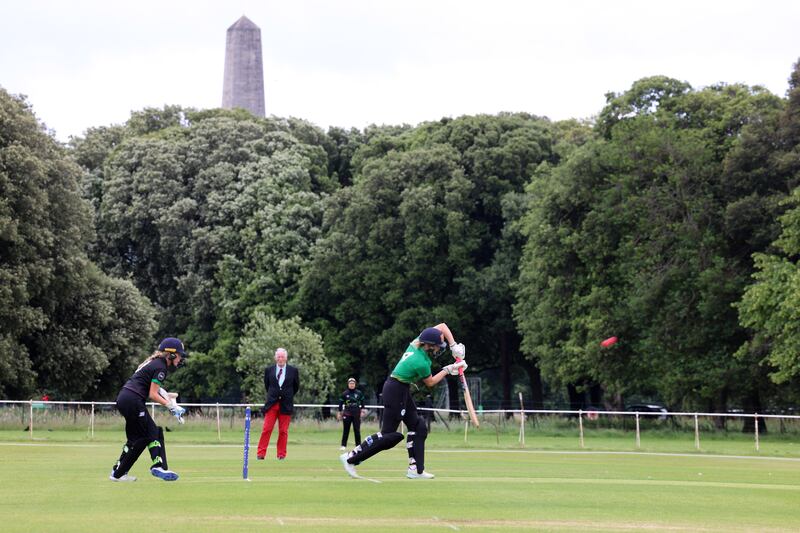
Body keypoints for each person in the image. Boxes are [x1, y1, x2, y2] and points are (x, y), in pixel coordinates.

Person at [339, 323, 466, 479]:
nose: (440, 348)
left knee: (418, 426)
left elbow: (442, 326)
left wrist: (453, 345)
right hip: (395, 391)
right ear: (430, 345)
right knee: (389, 435)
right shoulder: (421, 362)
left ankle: (416, 469)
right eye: (438, 346)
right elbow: (431, 383)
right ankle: (350, 458)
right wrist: (448, 369)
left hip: (401, 389)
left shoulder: (416, 343)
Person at [109, 337, 188, 482]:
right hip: (133, 400)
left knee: (136, 439)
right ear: (171, 354)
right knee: (154, 431)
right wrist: (171, 406)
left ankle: (118, 473)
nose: (180, 358)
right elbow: (152, 394)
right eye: (179, 355)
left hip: (124, 399)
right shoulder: (161, 367)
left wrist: (170, 400)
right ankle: (158, 466)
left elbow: (155, 389)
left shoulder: (154, 362)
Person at [257, 347, 300, 460]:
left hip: (286, 405)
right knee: (267, 429)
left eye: (282, 357)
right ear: (276, 358)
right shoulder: (269, 370)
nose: (280, 359)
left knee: (283, 431)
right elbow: (267, 385)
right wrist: (274, 394)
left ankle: (281, 454)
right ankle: (261, 453)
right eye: (279, 357)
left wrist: (286, 395)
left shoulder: (293, 371)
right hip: (272, 404)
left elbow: (296, 387)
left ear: (286, 358)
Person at [337, 377, 366, 450]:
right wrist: (339, 412)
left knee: (357, 430)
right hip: (347, 413)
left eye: (353, 383)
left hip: (356, 413)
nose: (352, 385)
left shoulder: (359, 393)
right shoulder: (344, 393)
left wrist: (362, 411)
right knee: (346, 430)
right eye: (350, 383)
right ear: (348, 384)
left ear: (355, 384)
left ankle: (358, 446)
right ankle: (343, 445)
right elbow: (340, 404)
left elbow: (362, 402)